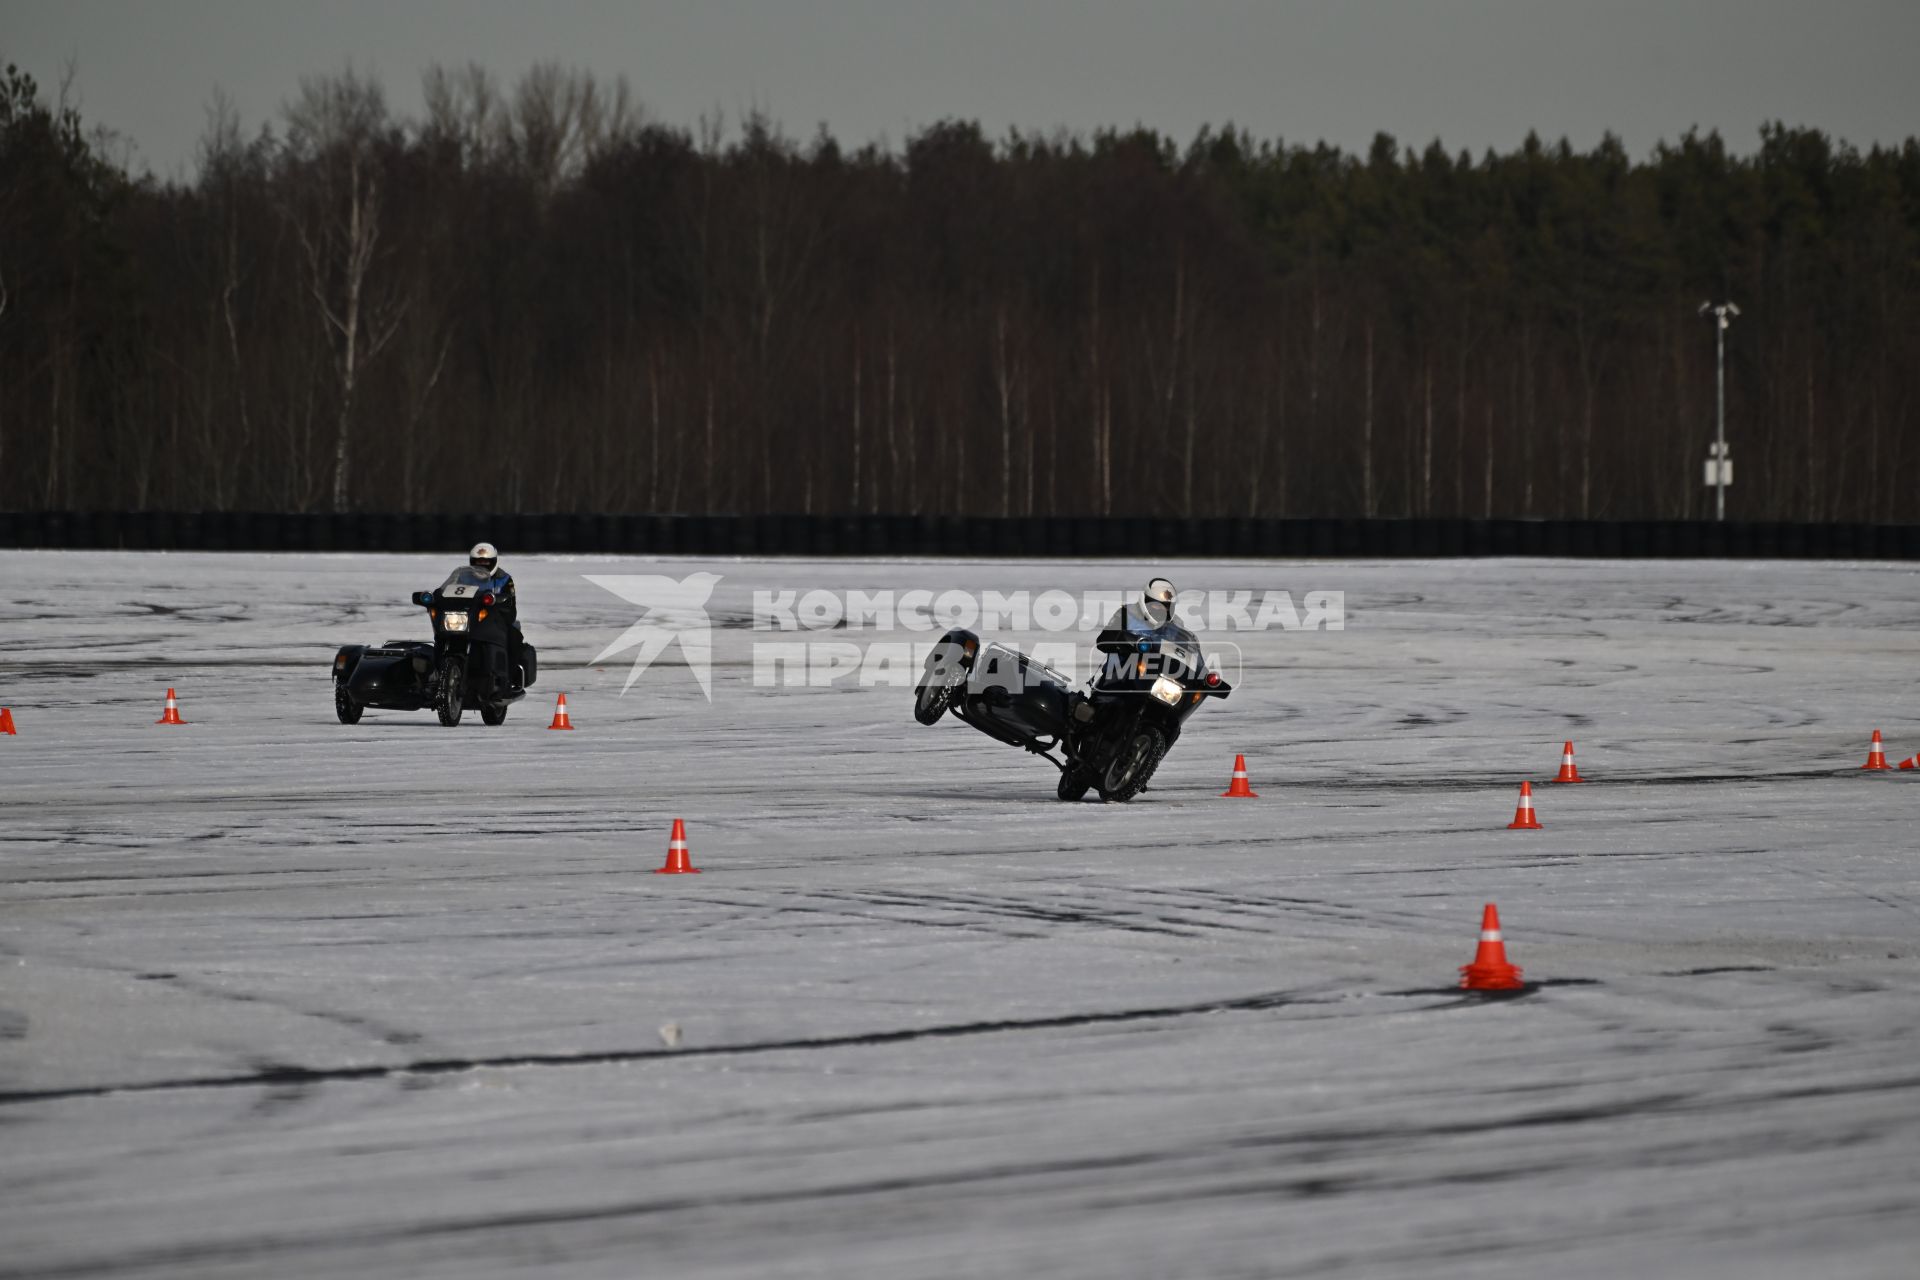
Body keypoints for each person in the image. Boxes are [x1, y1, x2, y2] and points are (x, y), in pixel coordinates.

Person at [441, 541, 527, 691]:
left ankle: (509, 681)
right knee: (442, 636)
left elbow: (511, 608)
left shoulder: (504, 579)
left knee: (513, 637)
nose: (481, 566)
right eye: (478, 562)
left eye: (486, 563)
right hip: (467, 618)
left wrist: (499, 603)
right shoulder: (462, 578)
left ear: (493, 562)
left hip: (494, 621)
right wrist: (437, 597)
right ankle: (437, 676)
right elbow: (448, 591)